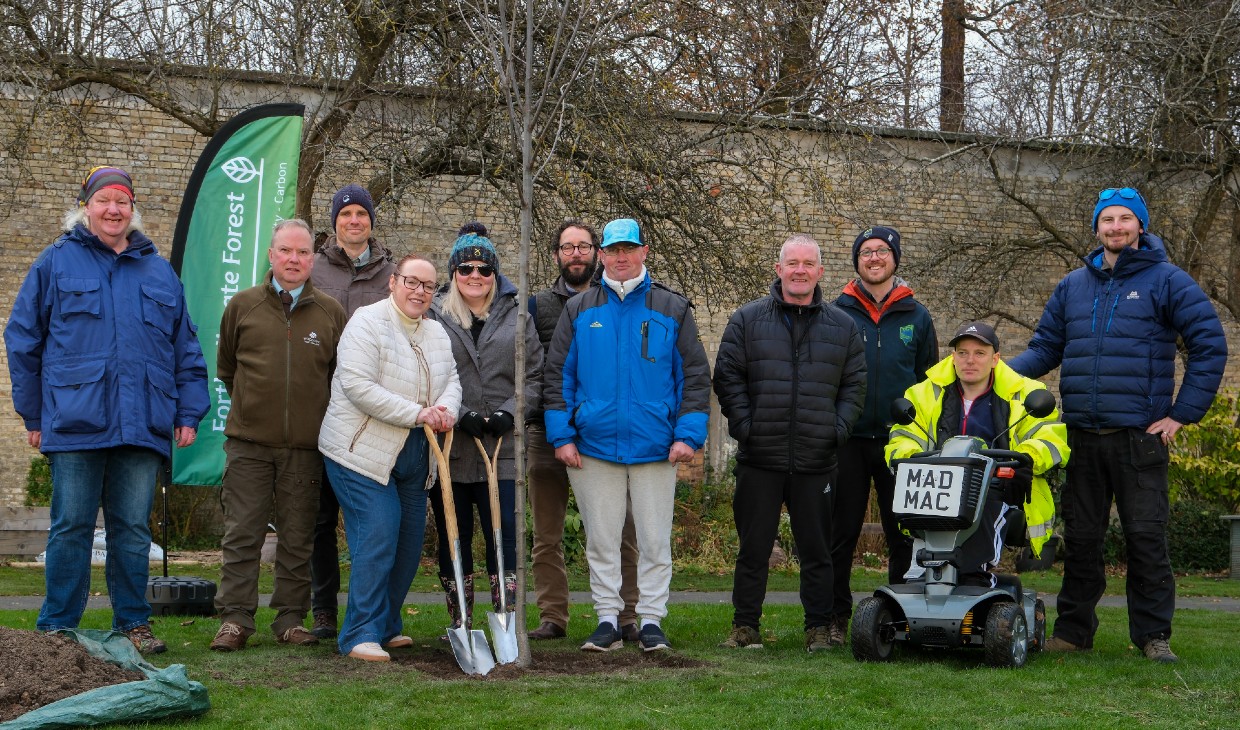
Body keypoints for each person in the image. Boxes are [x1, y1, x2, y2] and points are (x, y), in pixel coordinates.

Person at [1008, 187, 1228, 663]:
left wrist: (1180, 414)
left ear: (1140, 226)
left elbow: (1209, 346)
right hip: (1082, 436)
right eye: (1107, 220)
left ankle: (1152, 636)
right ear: (1096, 229)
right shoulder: (1072, 286)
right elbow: (1046, 347)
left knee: (1146, 537)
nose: (1115, 227)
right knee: (1082, 539)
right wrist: (996, 374)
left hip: (1140, 439)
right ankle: (1073, 632)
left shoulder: (1169, 281)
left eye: (1125, 219)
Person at [4, 166, 209, 655]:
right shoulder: (54, 262)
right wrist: (34, 415)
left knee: (132, 530)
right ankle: (58, 628)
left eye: (122, 201)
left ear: (132, 209)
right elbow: (23, 339)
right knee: (71, 526)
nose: (113, 209)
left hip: (143, 422)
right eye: (104, 201)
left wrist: (189, 411)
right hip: (75, 420)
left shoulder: (159, 271)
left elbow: (186, 348)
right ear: (87, 206)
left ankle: (132, 624)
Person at [543, 217, 711, 653]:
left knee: (655, 540)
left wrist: (688, 435)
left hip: (657, 447)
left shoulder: (671, 308)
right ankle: (606, 620)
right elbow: (558, 375)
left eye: (628, 249)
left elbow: (694, 375)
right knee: (602, 540)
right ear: (602, 256)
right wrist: (562, 435)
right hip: (594, 448)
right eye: (612, 250)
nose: (620, 258)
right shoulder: (579, 310)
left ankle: (651, 619)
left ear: (643, 252)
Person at [713, 234, 867, 652]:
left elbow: (855, 386)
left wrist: (836, 430)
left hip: (817, 460)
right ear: (778, 269)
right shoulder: (746, 320)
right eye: (792, 263)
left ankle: (818, 628)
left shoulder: (843, 327)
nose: (800, 270)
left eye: (808, 263)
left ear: (820, 271)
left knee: (818, 552)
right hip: (760, 457)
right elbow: (727, 377)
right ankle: (745, 627)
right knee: (754, 549)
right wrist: (746, 426)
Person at [210, 219, 348, 652]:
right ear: (271, 256)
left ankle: (290, 618)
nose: (294, 259)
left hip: (306, 449)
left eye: (303, 252)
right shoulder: (242, 306)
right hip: (249, 444)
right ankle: (234, 620)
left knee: (298, 536)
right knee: (243, 533)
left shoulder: (330, 313)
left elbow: (337, 378)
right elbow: (229, 369)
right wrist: (257, 412)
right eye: (286, 251)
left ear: (313, 259)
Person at [318, 254, 461, 661]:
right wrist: (418, 413)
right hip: (360, 452)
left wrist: (446, 410)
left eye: (428, 286)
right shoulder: (367, 322)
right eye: (411, 282)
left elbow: (451, 379)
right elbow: (357, 386)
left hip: (415, 456)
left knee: (409, 542)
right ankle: (359, 633)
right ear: (393, 282)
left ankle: (385, 624)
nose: (419, 291)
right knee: (380, 531)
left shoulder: (435, 332)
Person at [526, 218, 641, 642]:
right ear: (556, 254)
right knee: (547, 531)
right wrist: (556, 421)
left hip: (602, 433)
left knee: (619, 528)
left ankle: (626, 614)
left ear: (597, 252)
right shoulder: (538, 306)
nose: (576, 253)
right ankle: (553, 615)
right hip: (547, 429)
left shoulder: (617, 299)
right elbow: (536, 370)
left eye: (584, 246)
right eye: (567, 247)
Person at [886, 322, 1068, 586]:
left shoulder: (1026, 394)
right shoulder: (923, 393)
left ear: (995, 359)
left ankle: (976, 578)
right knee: (920, 565)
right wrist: (911, 457)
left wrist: (1027, 456)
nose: (970, 360)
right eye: (962, 352)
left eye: (980, 353)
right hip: (938, 488)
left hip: (999, 488)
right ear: (953, 357)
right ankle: (922, 581)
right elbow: (902, 438)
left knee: (983, 514)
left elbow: (1050, 437)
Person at [428, 224, 541, 635]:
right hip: (452, 447)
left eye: (483, 269)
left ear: (495, 273)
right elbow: (427, 377)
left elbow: (533, 376)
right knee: (454, 536)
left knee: (505, 535)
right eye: (465, 268)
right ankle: (460, 623)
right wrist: (459, 413)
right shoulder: (434, 316)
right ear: (453, 272)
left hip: (503, 446)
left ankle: (506, 621)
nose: (474, 276)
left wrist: (512, 412)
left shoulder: (518, 315)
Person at [828, 225, 938, 645]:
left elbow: (930, 383)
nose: (874, 258)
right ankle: (835, 618)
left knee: (903, 534)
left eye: (882, 252)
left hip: (901, 443)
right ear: (856, 261)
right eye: (866, 252)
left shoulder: (917, 316)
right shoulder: (837, 312)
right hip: (848, 440)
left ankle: (898, 617)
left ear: (895, 259)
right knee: (841, 533)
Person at [308, 183, 398, 640]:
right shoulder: (313, 268)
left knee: (372, 519)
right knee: (321, 517)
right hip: (322, 408)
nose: (354, 221)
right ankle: (323, 607)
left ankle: (376, 612)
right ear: (335, 222)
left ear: (371, 222)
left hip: (377, 415)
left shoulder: (393, 275)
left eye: (362, 214)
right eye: (346, 215)